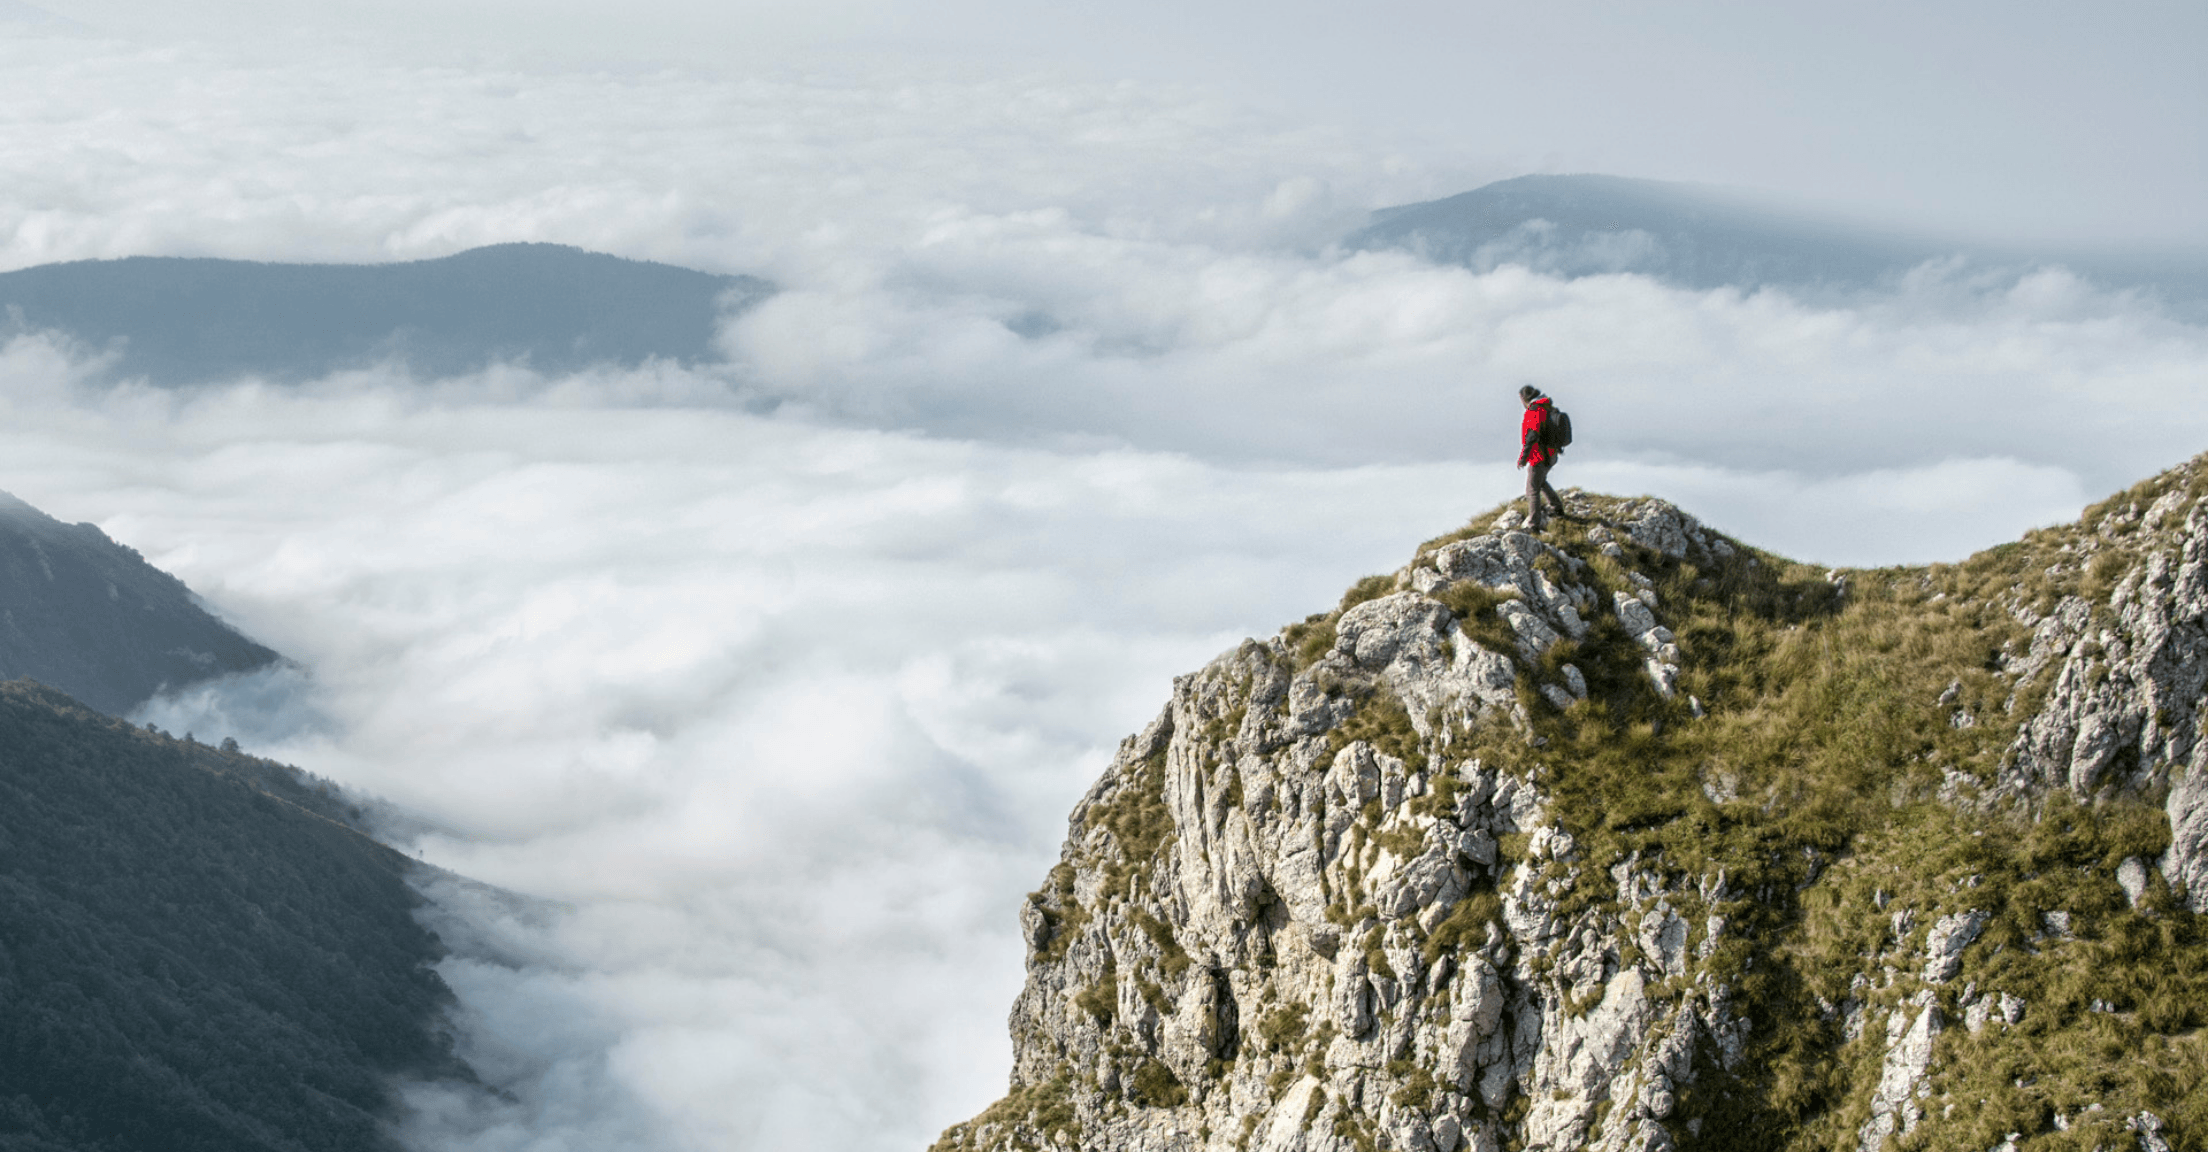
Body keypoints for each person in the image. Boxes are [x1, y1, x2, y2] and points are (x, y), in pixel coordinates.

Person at [1516, 384, 1567, 530]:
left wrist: (1523, 458)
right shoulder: (1547, 407)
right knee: (1541, 481)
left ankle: (1533, 524)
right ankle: (1557, 508)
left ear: (1524, 398)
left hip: (1539, 456)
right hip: (1552, 454)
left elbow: (1532, 436)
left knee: (1532, 490)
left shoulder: (1534, 411)